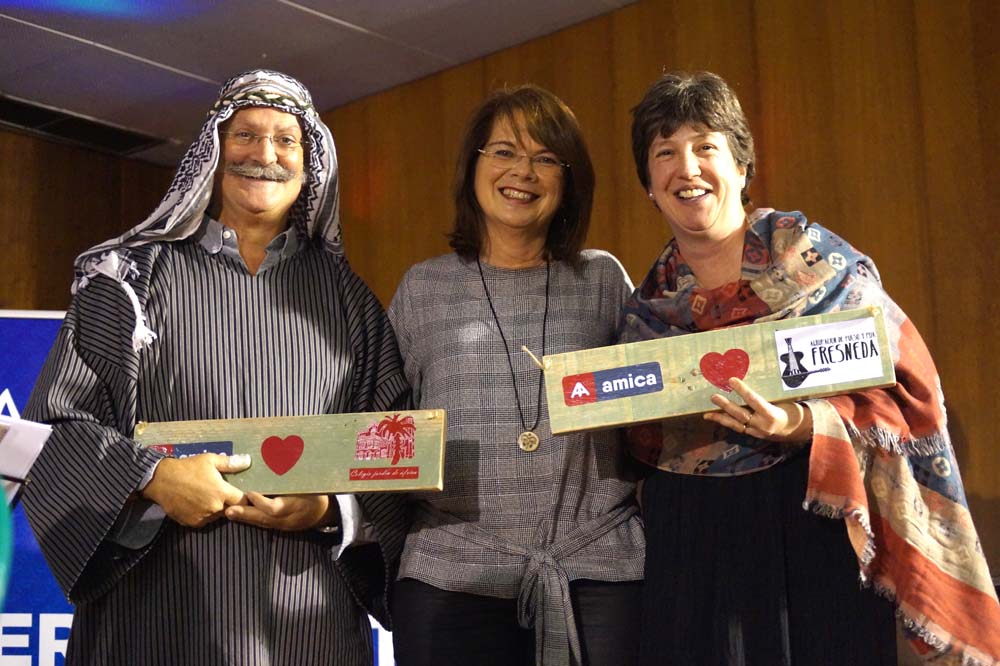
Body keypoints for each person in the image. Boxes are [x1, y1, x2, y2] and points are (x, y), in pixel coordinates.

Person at [22, 69, 410, 665]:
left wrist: (328, 510)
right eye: (246, 135)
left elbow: (393, 453)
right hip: (154, 612)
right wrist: (152, 477)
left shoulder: (351, 302)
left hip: (309, 622)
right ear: (211, 152)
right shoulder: (127, 281)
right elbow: (53, 429)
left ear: (310, 166)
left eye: (286, 140)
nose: (266, 155)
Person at [621, 70, 1000, 665]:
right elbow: (631, 443)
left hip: (813, 519)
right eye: (665, 152)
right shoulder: (644, 314)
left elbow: (906, 392)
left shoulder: (822, 268)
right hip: (691, 542)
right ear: (648, 184)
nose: (686, 168)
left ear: (741, 166)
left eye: (705, 146)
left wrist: (800, 423)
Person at [386, 85, 644, 666]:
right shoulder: (423, 288)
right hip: (449, 571)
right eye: (503, 151)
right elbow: (383, 429)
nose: (522, 172)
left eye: (545, 158)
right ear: (473, 165)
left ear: (568, 181)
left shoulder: (603, 280)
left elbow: (645, 416)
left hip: (597, 569)